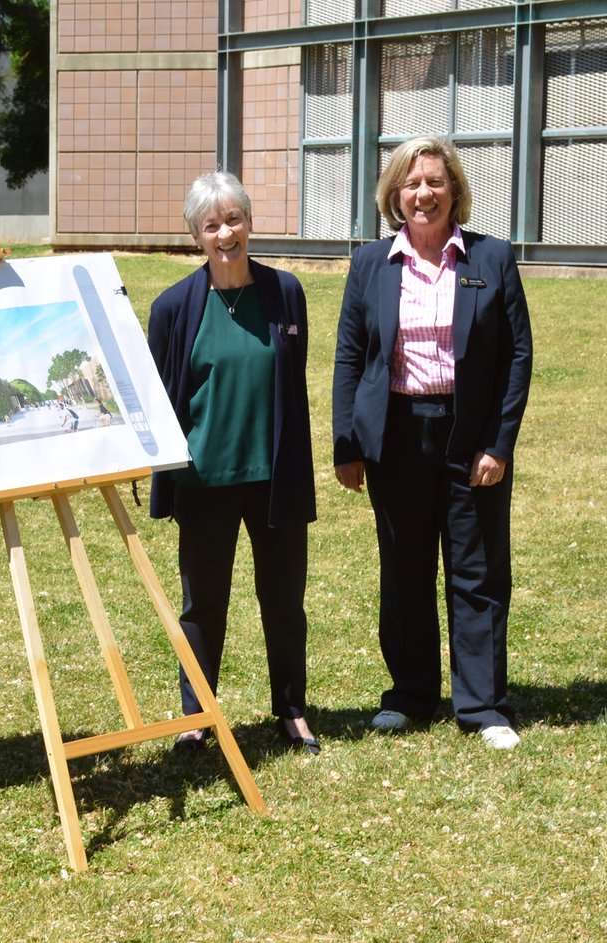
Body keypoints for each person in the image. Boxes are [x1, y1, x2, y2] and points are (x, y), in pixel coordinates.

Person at [332, 135, 532, 750]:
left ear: (455, 192)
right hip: (393, 434)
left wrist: (497, 445)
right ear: (395, 194)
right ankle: (411, 695)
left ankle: (482, 706)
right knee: (405, 567)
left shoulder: (490, 259)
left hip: (467, 434)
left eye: (435, 183)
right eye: (412, 183)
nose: (424, 194)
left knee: (475, 571)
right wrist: (347, 444)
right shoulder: (370, 263)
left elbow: (517, 356)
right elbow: (350, 356)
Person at [148, 171, 319, 754]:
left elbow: (291, 385)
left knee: (283, 601)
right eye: (211, 224)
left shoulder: (285, 292)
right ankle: (196, 716)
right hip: (203, 482)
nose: (225, 233)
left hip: (275, 480)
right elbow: (162, 396)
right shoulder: (172, 307)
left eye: (234, 219)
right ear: (196, 235)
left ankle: (292, 710)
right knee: (203, 606)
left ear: (250, 221)